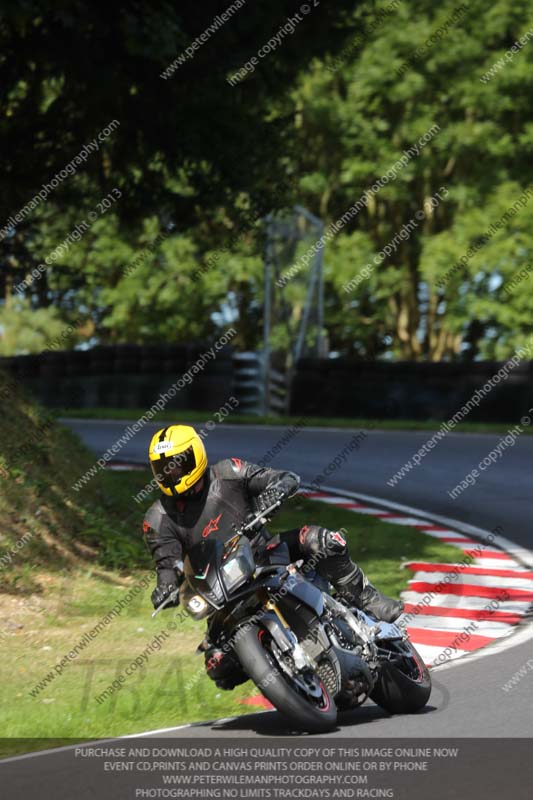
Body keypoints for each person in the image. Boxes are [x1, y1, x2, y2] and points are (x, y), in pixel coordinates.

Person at [143, 424, 403, 689]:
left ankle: (366, 597)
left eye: (176, 464)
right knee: (218, 666)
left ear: (195, 454)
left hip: (265, 554)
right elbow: (166, 562)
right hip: (221, 593)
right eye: (163, 467)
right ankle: (283, 673)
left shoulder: (228, 472)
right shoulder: (157, 519)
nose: (170, 473)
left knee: (319, 541)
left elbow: (282, 477)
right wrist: (165, 587)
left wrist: (275, 491)